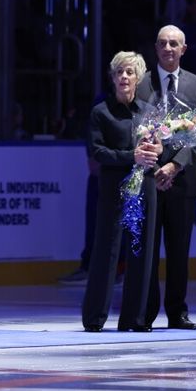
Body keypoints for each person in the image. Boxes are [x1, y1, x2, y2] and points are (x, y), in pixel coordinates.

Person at [134, 25, 196, 330]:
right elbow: (133, 131)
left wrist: (175, 166)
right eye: (163, 43)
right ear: (156, 47)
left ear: (183, 49)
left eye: (173, 44)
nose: (168, 48)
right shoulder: (141, 84)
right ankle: (145, 313)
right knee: (148, 252)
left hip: (182, 182)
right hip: (148, 182)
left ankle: (177, 312)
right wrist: (155, 169)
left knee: (179, 253)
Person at [81, 51, 163, 332]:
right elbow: (98, 152)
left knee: (142, 251)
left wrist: (158, 151)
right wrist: (133, 156)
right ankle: (95, 318)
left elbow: (155, 149)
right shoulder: (100, 111)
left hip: (145, 187)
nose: (124, 77)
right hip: (114, 187)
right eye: (119, 72)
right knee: (107, 250)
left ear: (138, 78)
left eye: (129, 72)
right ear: (113, 77)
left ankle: (136, 318)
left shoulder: (148, 112)